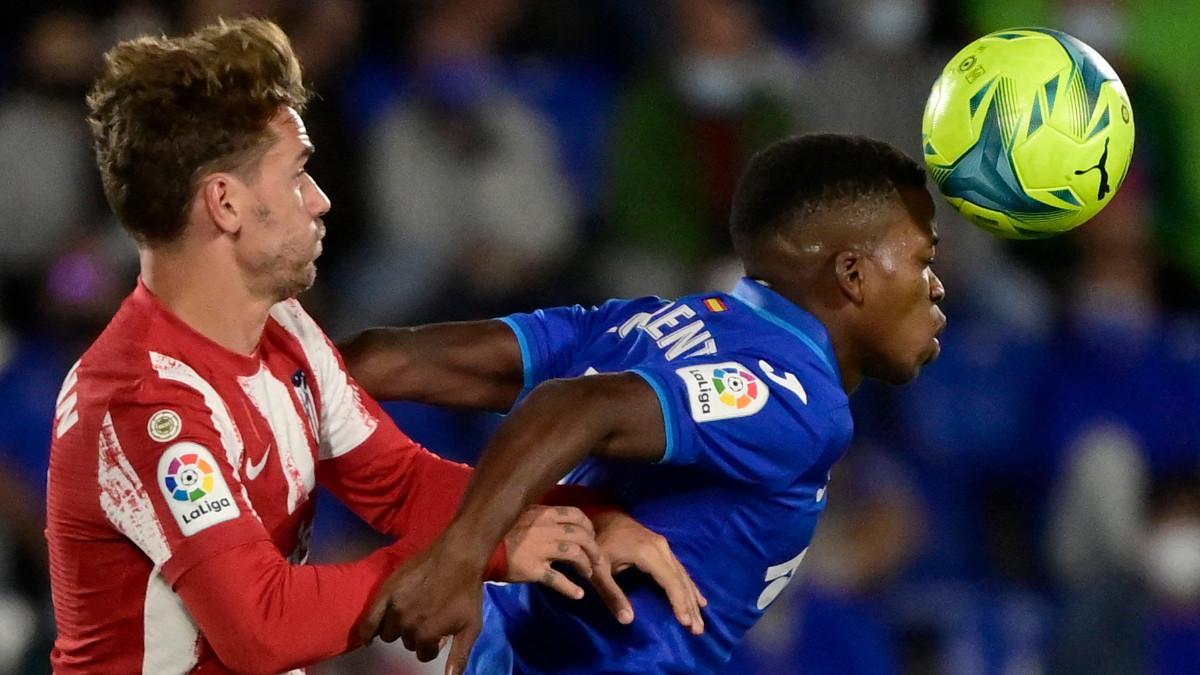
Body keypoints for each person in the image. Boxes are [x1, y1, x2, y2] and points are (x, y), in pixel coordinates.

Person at [46, 18, 700, 674]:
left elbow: (401, 484)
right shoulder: (144, 400)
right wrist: (472, 558)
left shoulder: (286, 330)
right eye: (299, 174)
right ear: (226, 203)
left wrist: (589, 519)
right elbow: (263, 626)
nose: (321, 200)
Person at [341, 132, 948, 673]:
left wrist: (267, 372)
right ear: (853, 274)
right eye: (923, 262)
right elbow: (579, 407)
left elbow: (403, 360)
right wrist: (459, 557)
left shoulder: (652, 321)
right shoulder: (799, 400)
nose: (937, 287)